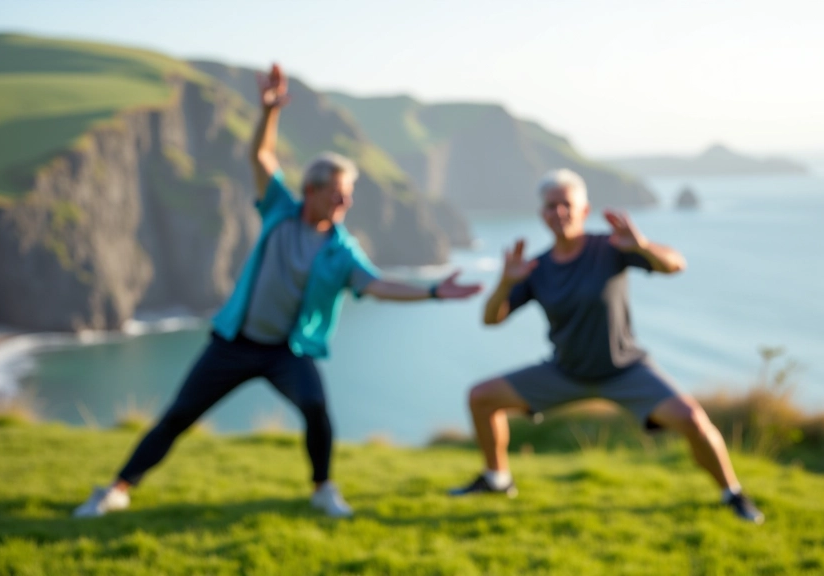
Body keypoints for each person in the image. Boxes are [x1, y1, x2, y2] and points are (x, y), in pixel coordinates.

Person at [74, 64, 481, 519]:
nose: (345, 203)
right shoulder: (281, 211)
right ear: (311, 191)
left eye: (348, 195)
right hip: (233, 343)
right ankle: (117, 488)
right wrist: (269, 113)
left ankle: (323, 489)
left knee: (316, 410)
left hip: (287, 351)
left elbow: (377, 284)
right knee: (178, 417)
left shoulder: (342, 249)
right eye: (338, 194)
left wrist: (433, 292)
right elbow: (261, 158)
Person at [448, 168, 764, 524]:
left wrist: (643, 246)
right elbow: (492, 319)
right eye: (551, 206)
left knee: (693, 419)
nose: (559, 212)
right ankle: (497, 479)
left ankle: (732, 493)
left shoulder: (611, 248)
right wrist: (505, 282)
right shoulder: (535, 268)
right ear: (542, 214)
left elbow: (676, 265)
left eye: (567, 204)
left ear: (584, 210)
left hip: (624, 370)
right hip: (565, 372)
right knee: (481, 396)